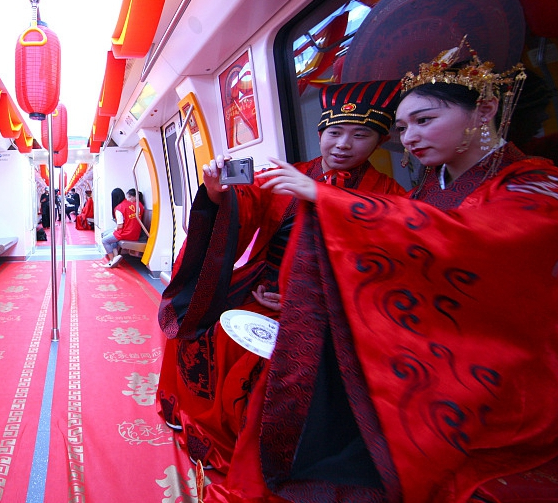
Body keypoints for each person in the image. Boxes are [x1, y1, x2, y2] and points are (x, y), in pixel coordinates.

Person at [213, 40, 558, 502]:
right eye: (403, 128)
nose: (410, 138)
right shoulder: (431, 185)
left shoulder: (543, 187)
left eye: (424, 121)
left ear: (485, 110)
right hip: (418, 334)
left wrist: (329, 201)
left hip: (497, 356)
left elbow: (478, 241)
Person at [156, 81, 406, 475]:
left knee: (251, 359)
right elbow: (248, 200)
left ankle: (248, 451)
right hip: (265, 285)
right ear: (320, 133)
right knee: (196, 323)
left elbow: (381, 266)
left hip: (329, 306)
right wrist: (218, 192)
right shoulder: (291, 175)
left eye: (361, 135)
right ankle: (193, 417)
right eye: (335, 132)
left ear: (381, 140)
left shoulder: (389, 197)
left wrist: (303, 297)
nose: (343, 145)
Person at [101, 187, 141, 268]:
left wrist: (115, 229)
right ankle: (116, 256)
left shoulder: (119, 208)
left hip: (127, 233)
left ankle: (111, 261)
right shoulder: (135, 204)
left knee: (105, 240)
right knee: (110, 236)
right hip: (136, 232)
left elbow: (120, 226)